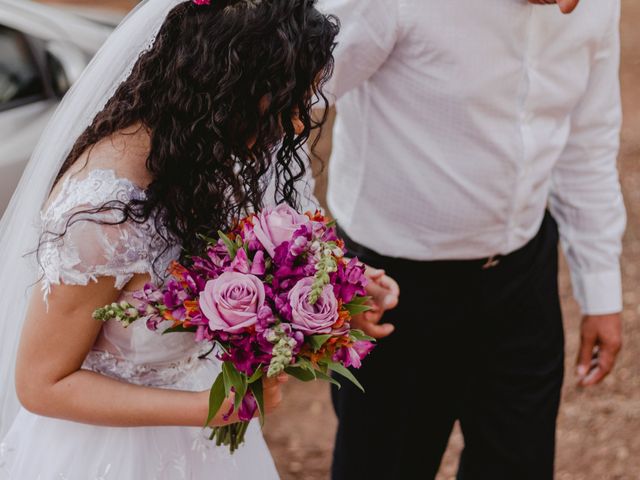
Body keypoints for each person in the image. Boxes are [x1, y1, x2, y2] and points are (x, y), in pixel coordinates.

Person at [0, 0, 341, 478]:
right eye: (287, 103)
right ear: (233, 90)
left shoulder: (199, 158)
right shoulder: (104, 214)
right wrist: (206, 407)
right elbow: (41, 383)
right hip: (107, 454)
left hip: (203, 437)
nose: (298, 122)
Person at [320, 0, 625, 478]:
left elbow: (587, 141)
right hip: (389, 290)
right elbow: (281, 114)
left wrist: (602, 290)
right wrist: (323, 271)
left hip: (522, 278)